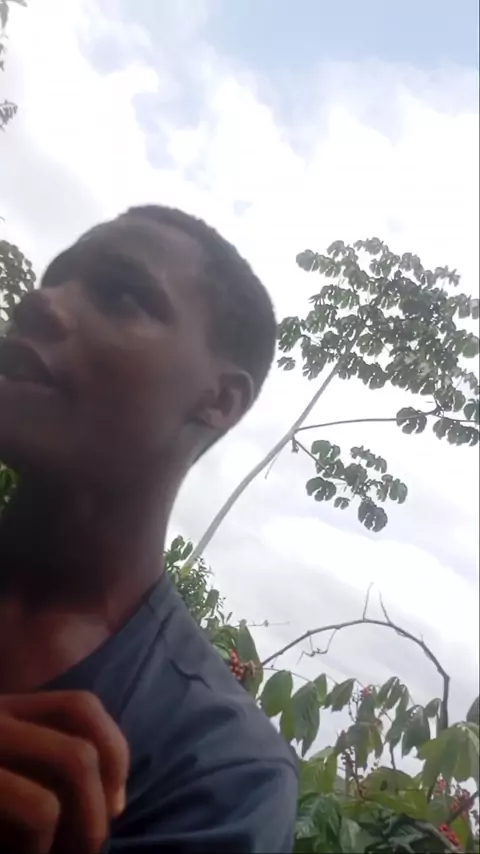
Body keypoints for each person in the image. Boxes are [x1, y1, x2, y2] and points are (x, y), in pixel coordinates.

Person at [0, 206, 298, 853]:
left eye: (122, 295)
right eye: (54, 278)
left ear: (220, 398)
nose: (41, 301)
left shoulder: (220, 771)